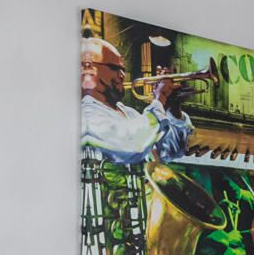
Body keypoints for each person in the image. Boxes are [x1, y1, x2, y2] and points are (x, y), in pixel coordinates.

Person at [79, 36, 193, 164]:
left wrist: (173, 107)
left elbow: (170, 152)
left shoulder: (129, 113)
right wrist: (161, 97)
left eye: (123, 70)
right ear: (88, 67)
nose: (122, 75)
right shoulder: (87, 112)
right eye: (114, 68)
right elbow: (133, 145)